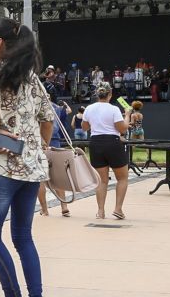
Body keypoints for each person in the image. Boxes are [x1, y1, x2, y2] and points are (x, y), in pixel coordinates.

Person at [0, 18, 54, 297]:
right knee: (23, 237)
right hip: (33, 169)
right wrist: (39, 149)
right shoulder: (32, 78)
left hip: (4, 166)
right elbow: (47, 120)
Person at [82, 81, 131, 221]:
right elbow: (122, 129)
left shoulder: (89, 108)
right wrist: (127, 115)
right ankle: (118, 209)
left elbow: (84, 127)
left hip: (96, 143)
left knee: (101, 181)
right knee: (122, 178)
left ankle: (100, 211)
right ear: (110, 94)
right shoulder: (114, 109)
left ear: (97, 94)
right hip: (112, 142)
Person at [37, 91, 70, 218]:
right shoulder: (57, 107)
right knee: (58, 176)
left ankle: (45, 209)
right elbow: (63, 123)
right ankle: (64, 206)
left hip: (40, 143)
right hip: (55, 142)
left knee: (40, 179)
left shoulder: (36, 106)